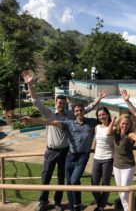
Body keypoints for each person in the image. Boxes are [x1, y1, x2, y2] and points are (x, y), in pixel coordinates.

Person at [22, 70, 106, 211]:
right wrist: (30, 84)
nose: (61, 105)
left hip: (66, 152)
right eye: (59, 103)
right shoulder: (49, 112)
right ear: (55, 103)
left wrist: (99, 99)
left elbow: (88, 108)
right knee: (46, 176)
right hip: (51, 151)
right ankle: (42, 201)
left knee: (62, 179)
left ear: (66, 104)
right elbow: (36, 101)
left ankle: (58, 202)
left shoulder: (71, 115)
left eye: (63, 103)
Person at [91, 106, 115, 211]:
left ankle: (101, 206)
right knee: (94, 183)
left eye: (103, 114)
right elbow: (96, 140)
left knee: (105, 183)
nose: (101, 117)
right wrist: (95, 151)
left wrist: (112, 121)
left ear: (108, 114)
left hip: (108, 158)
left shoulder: (113, 127)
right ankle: (101, 202)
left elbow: (109, 133)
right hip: (97, 158)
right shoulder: (97, 127)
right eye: (99, 115)